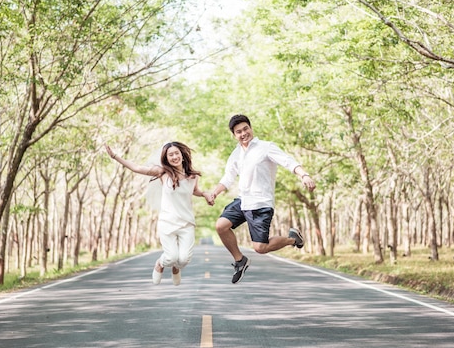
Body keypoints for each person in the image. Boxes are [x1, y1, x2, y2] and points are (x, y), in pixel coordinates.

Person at [208, 114, 316, 284]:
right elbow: (228, 178)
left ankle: (293, 239)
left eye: (246, 129)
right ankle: (240, 261)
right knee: (221, 226)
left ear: (250, 128)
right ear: (234, 135)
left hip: (261, 203)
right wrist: (215, 192)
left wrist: (304, 175)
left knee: (260, 248)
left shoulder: (266, 147)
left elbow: (288, 161)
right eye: (239, 132)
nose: (243, 133)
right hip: (243, 200)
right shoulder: (236, 154)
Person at [105, 142, 212, 286]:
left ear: (182, 154)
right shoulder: (163, 173)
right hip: (167, 222)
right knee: (171, 256)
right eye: (170, 155)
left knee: (184, 259)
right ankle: (159, 264)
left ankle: (176, 268)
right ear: (166, 158)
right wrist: (115, 156)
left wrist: (205, 194)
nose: (174, 157)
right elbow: (137, 168)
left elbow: (194, 190)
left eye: (176, 153)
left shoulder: (192, 176)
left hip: (186, 223)